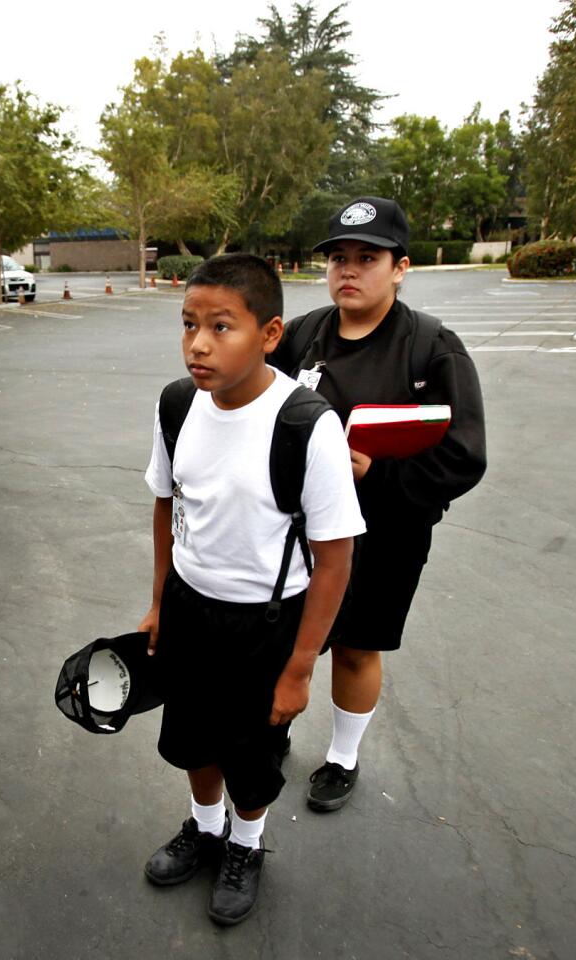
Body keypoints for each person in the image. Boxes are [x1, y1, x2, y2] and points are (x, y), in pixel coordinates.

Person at [139, 254, 364, 925]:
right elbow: (163, 503)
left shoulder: (304, 423)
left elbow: (334, 559)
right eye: (187, 325)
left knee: (252, 754)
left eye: (220, 326)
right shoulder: (178, 404)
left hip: (265, 624)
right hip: (187, 606)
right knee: (190, 737)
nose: (197, 344)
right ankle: (204, 827)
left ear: (269, 334)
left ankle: (245, 843)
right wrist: (158, 602)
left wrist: (298, 669)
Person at [270, 197, 487, 812]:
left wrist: (378, 475)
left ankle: (342, 757)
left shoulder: (431, 347)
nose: (349, 269)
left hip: (385, 533)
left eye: (368, 257)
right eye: (339, 257)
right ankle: (276, 726)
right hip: (300, 532)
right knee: (290, 635)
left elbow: (464, 456)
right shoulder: (305, 334)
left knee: (356, 646)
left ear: (400, 267)